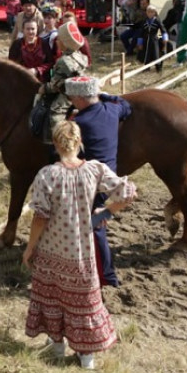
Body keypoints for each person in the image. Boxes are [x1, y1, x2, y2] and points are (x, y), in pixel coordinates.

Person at [22, 119, 136, 369]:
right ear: (80, 142)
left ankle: (57, 347)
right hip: (82, 252)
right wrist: (105, 211)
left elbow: (40, 217)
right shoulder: (94, 170)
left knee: (51, 299)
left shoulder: (47, 175)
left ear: (55, 143)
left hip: (52, 252)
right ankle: (87, 360)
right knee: (82, 305)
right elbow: (127, 192)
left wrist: (30, 247)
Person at [65, 76, 132, 288]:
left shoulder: (78, 124)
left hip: (88, 181)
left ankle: (107, 277)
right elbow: (125, 105)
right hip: (109, 176)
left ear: (80, 98)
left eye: (73, 97)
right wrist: (104, 95)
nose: (71, 100)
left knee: (94, 227)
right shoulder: (112, 110)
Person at [135, 5, 169, 71]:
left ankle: (158, 67)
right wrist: (140, 43)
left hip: (154, 41)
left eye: (152, 12)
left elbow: (163, 30)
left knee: (156, 54)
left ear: (154, 13)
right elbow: (141, 33)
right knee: (146, 55)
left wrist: (165, 38)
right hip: (146, 41)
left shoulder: (157, 21)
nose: (150, 13)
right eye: (148, 12)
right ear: (146, 12)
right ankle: (146, 67)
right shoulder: (144, 21)